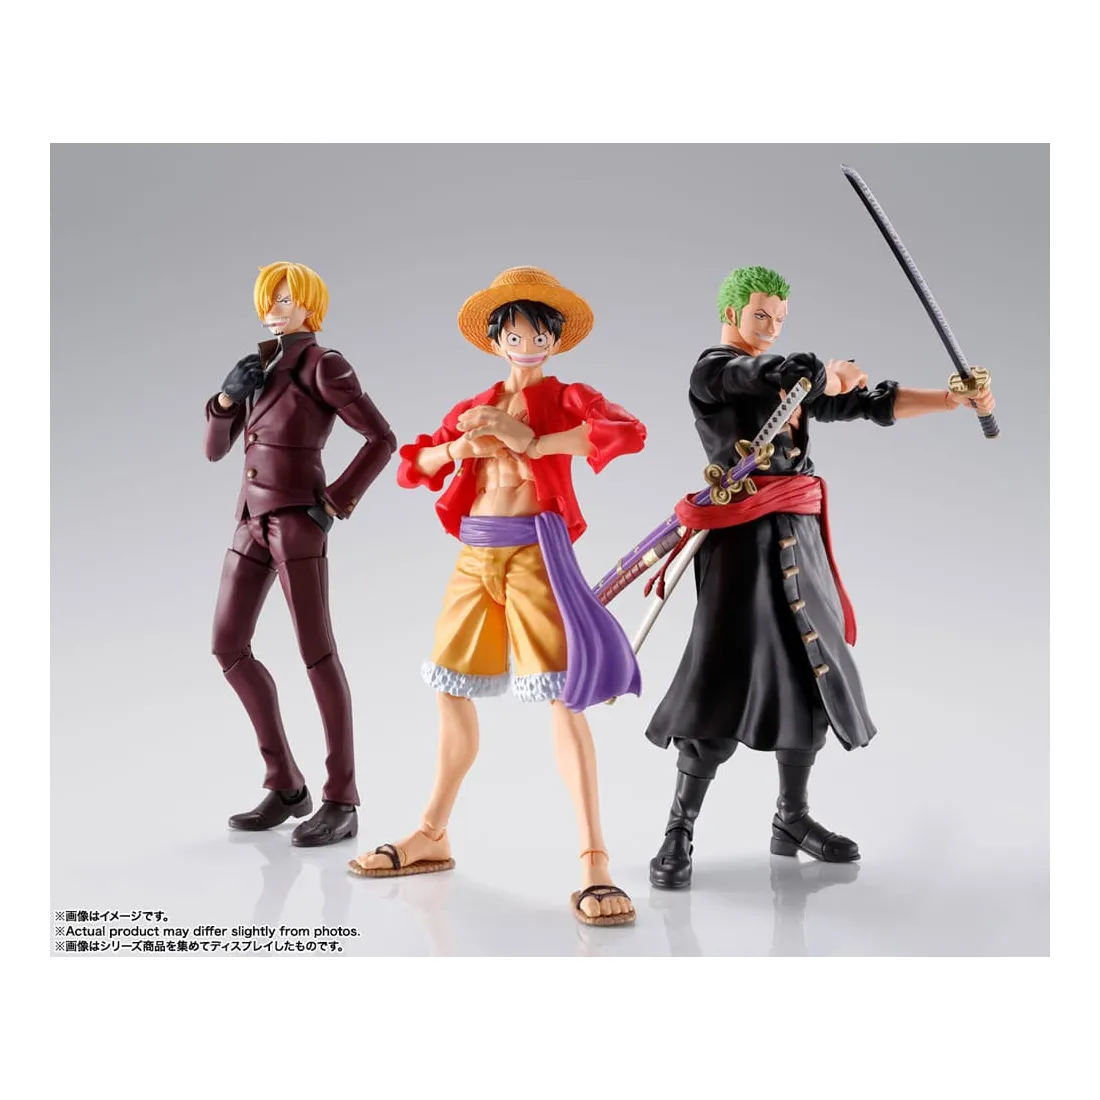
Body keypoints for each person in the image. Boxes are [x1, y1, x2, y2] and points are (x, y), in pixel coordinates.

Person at [646, 265, 996, 888]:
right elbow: (767, 374)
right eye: (761, 316)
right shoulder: (714, 371)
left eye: (780, 319)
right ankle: (680, 827)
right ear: (730, 314)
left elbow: (868, 403)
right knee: (720, 674)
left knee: (810, 671)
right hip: (740, 543)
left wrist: (952, 400)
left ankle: (792, 818)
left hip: (799, 538)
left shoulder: (792, 382)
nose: (771, 327)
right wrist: (820, 374)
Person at [348, 266, 646, 926]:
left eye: (538, 334)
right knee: (448, 686)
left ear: (555, 340)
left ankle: (594, 858)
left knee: (564, 696)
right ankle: (432, 832)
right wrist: (462, 445)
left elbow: (625, 431)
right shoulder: (475, 403)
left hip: (534, 554)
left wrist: (531, 441)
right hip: (474, 556)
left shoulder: (567, 396)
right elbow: (412, 465)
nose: (526, 344)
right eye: (513, 334)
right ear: (495, 341)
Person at [205, 261, 396, 847]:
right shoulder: (258, 366)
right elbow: (215, 451)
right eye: (269, 299)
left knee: (317, 654)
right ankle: (286, 784)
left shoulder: (323, 364)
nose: (275, 309)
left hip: (296, 522)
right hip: (249, 520)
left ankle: (342, 798)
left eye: (286, 300)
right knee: (228, 646)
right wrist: (225, 399)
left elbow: (381, 438)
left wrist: (334, 502)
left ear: (310, 305)